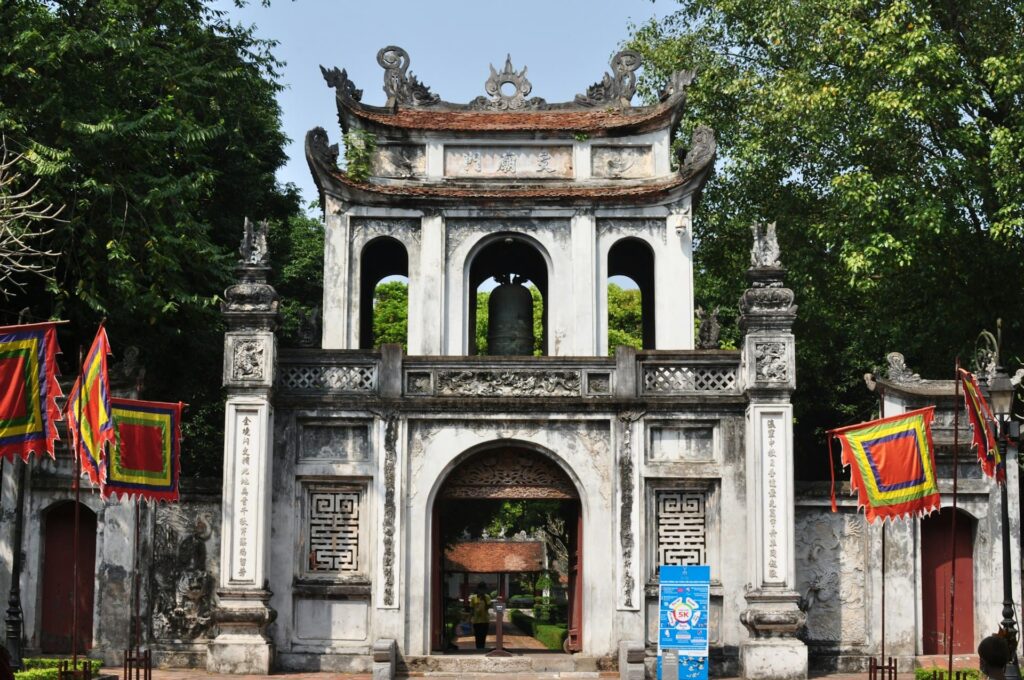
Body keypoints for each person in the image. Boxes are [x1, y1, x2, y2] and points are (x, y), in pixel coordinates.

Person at [468, 581, 492, 651]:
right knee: (477, 635)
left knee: (483, 635)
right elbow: (472, 609)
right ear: (478, 589)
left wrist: (484, 599)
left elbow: (488, 608)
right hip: (476, 620)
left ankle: (482, 648)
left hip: (485, 620)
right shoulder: (473, 597)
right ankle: (478, 649)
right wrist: (469, 619)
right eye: (481, 589)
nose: (482, 591)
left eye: (484, 589)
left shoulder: (487, 597)